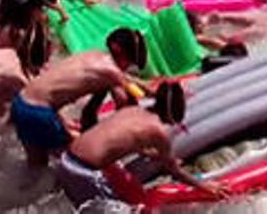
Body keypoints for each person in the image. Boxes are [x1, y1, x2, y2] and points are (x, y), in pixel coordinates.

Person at [57, 81, 227, 207]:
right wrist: (204, 185)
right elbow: (174, 172)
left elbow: (123, 139)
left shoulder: (133, 110)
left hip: (67, 160)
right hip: (82, 172)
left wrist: (149, 154)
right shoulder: (158, 132)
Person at [11, 28, 148, 167]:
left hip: (21, 103)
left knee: (37, 166)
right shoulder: (111, 72)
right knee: (77, 161)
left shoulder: (92, 55)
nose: (128, 67)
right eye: (130, 63)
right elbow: (123, 103)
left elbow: (125, 80)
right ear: (120, 53)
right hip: (39, 113)